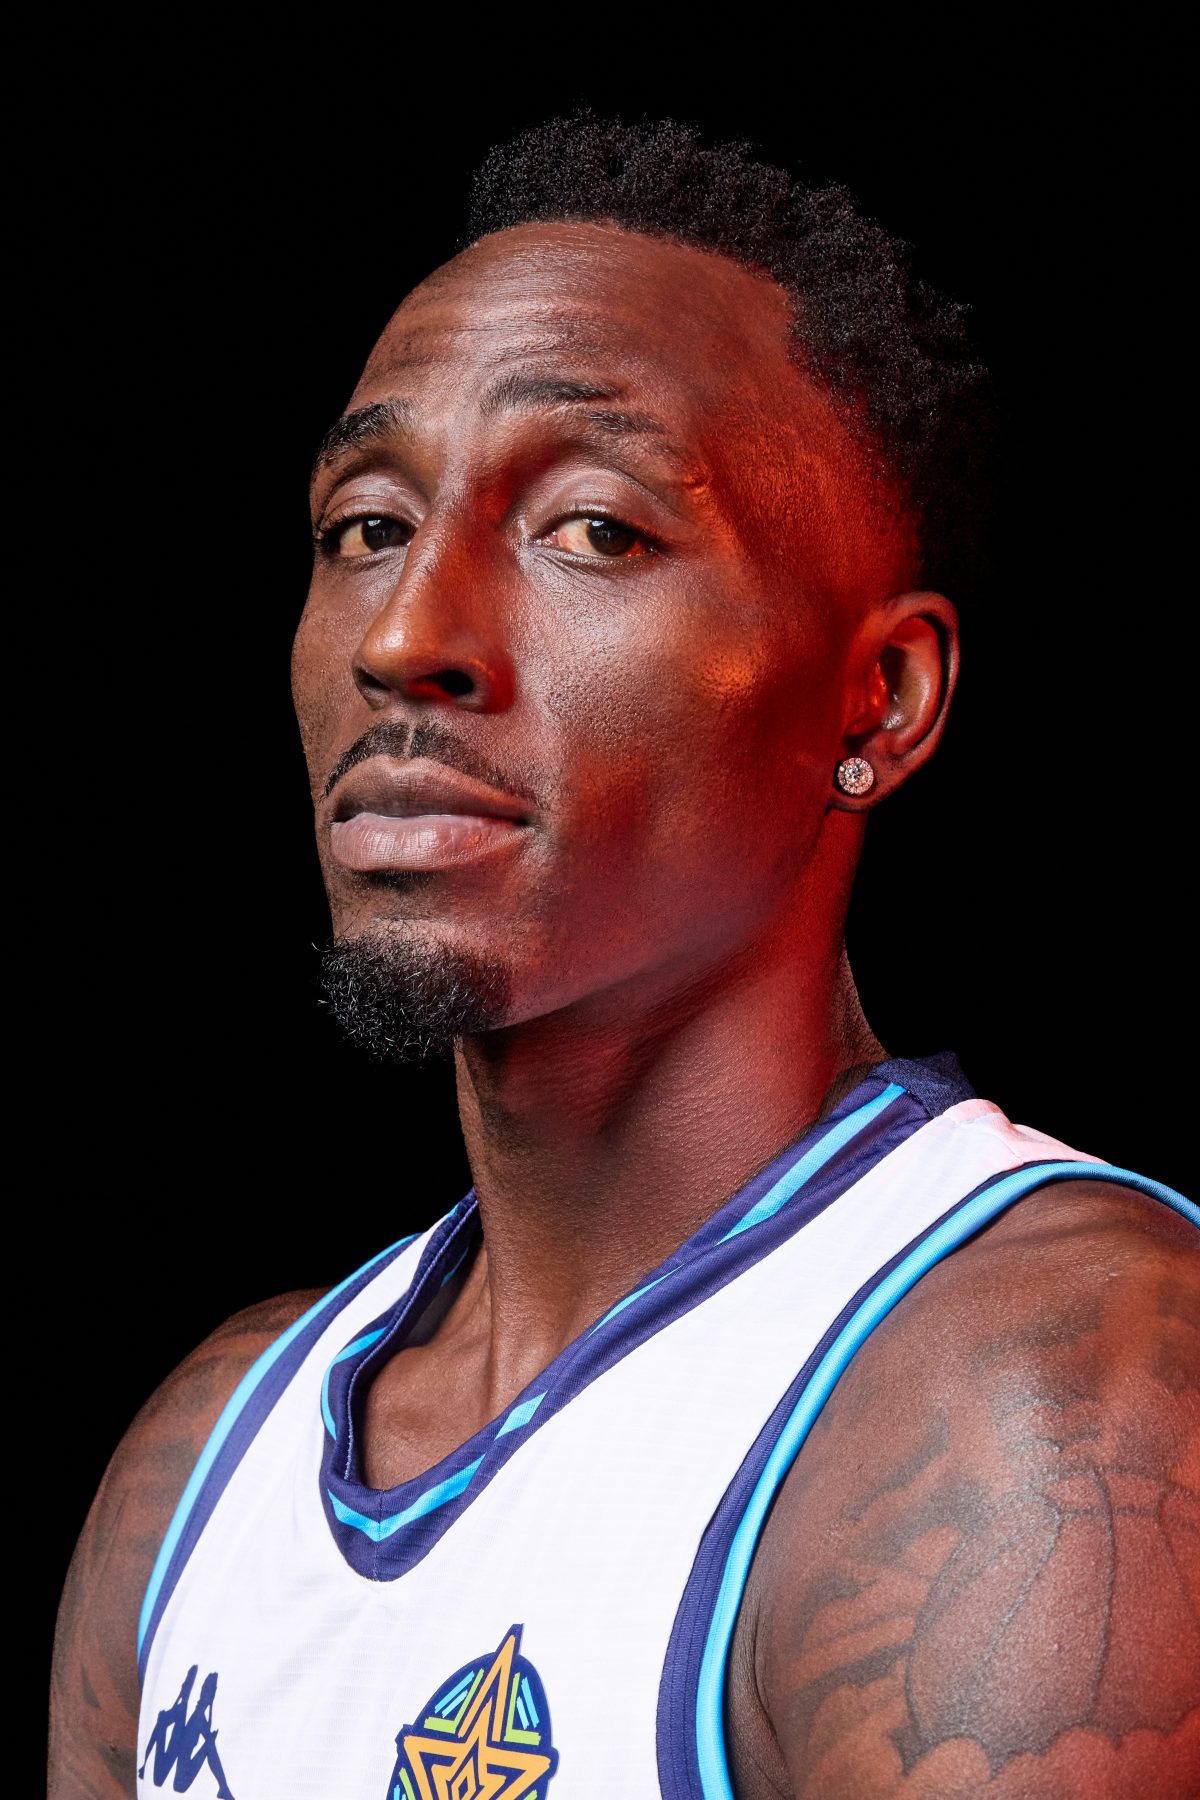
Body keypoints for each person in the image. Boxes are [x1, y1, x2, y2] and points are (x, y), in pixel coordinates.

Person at [50, 114, 1197, 1800]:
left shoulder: (1040, 1395)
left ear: (879, 700)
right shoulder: (206, 1460)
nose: (405, 636)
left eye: (592, 529)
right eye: (366, 524)